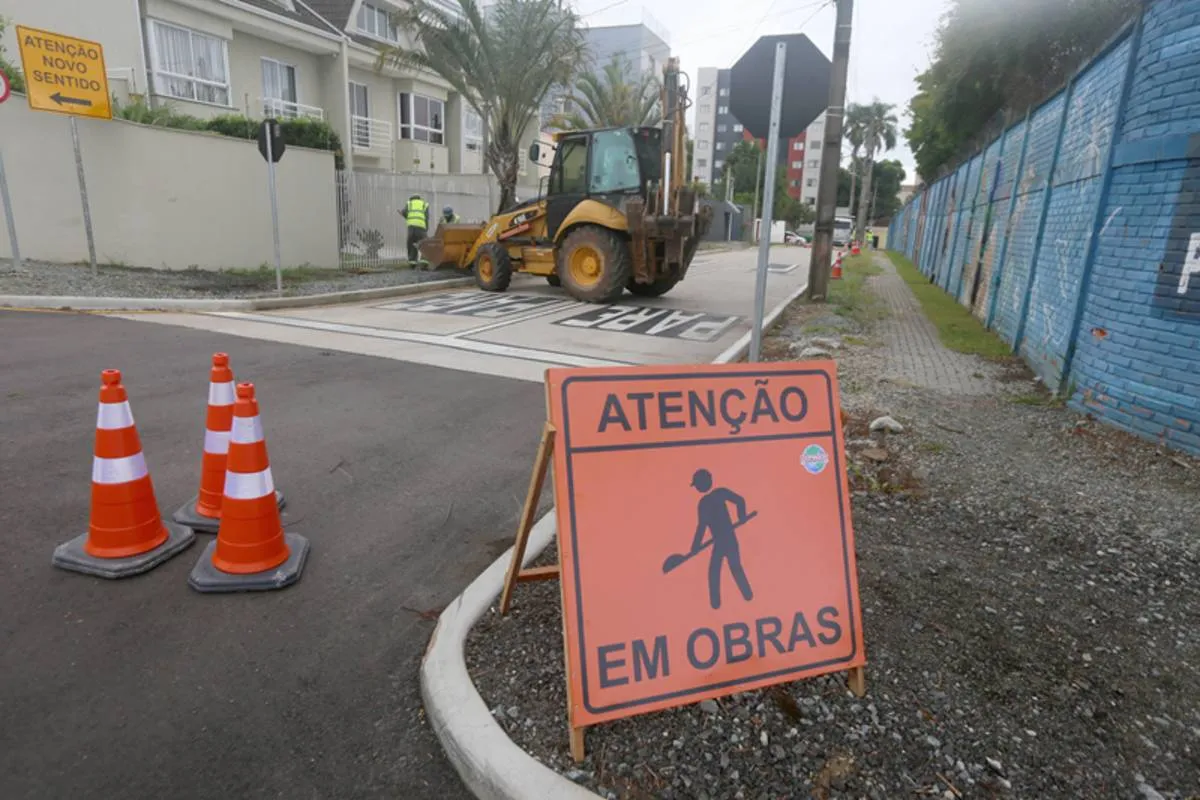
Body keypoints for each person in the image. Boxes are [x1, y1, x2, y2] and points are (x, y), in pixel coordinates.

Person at [688, 468, 754, 610]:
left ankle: (747, 596)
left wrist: (741, 517)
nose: (698, 487)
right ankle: (716, 603)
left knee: (734, 567)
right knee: (715, 571)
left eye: (698, 484)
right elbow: (702, 526)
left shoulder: (717, 494)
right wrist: (695, 547)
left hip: (729, 539)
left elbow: (739, 501)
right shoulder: (704, 503)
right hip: (720, 541)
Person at [403, 194, 429, 264]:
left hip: (411, 227)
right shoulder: (424, 204)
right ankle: (424, 259)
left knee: (412, 242)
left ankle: (412, 260)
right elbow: (426, 218)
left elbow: (404, 212)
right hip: (421, 226)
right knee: (424, 242)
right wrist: (426, 228)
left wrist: (407, 216)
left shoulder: (409, 203)